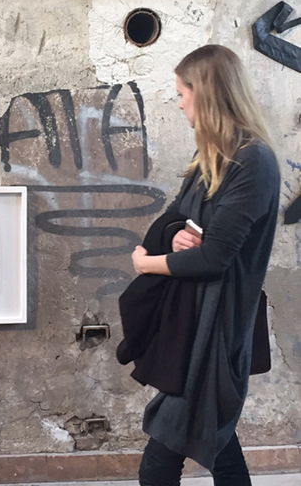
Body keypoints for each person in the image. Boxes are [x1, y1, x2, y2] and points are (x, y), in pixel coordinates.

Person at [131, 45, 280, 486]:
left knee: (158, 464)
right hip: (193, 325)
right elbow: (174, 216)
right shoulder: (210, 160)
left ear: (206, 93)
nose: (179, 104)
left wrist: (148, 264)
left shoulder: (253, 161)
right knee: (219, 449)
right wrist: (176, 233)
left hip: (216, 331)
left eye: (182, 93)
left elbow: (215, 258)